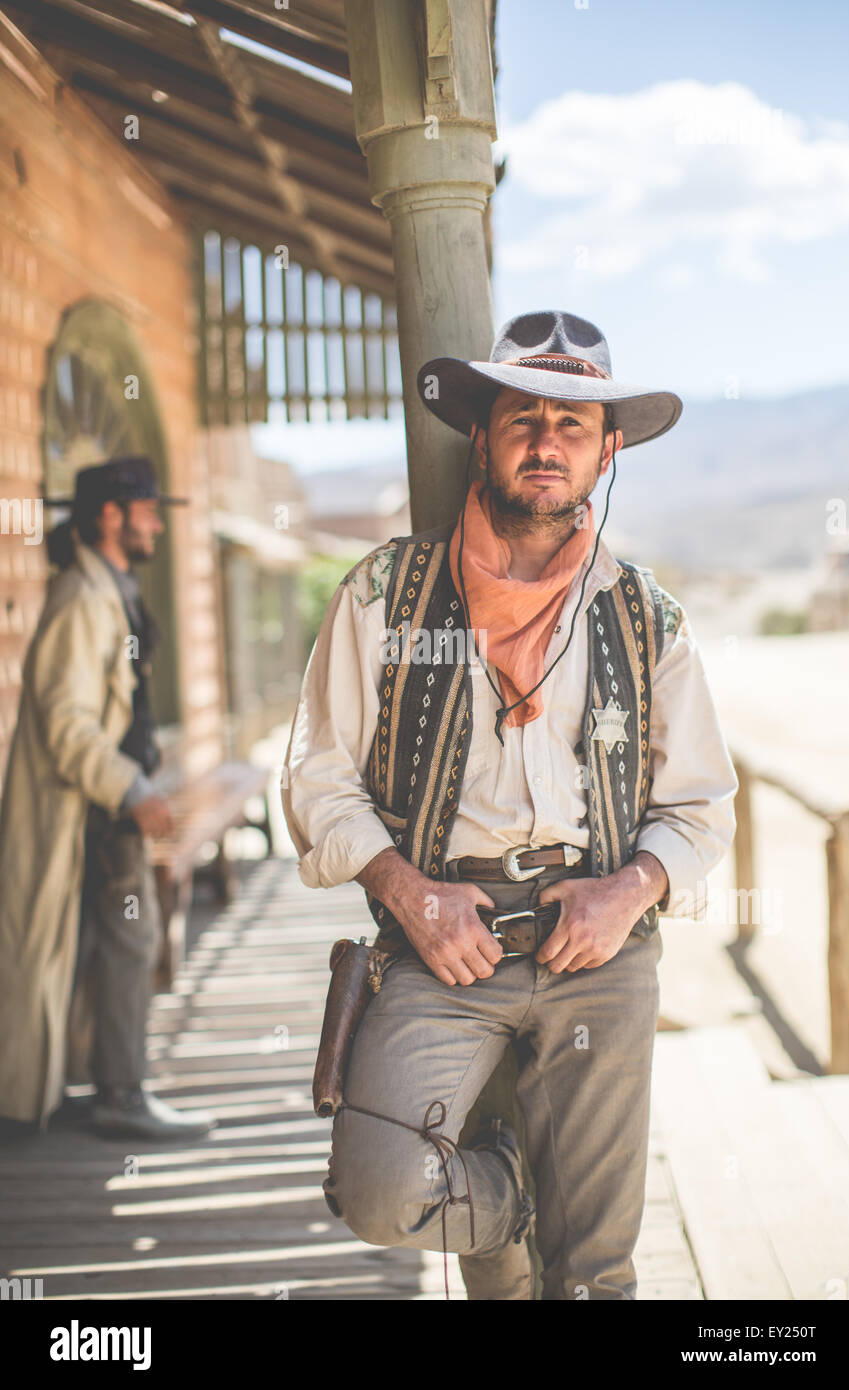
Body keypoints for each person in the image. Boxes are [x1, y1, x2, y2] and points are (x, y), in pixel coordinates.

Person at [283, 310, 738, 1299]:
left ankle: (566, 1232)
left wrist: (625, 892)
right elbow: (316, 774)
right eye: (523, 417)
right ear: (482, 435)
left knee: (592, 1274)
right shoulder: (382, 597)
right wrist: (411, 895)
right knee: (375, 1194)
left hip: (599, 951)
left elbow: (701, 807)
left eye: (573, 424)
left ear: (606, 449)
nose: (545, 442)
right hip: (444, 943)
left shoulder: (647, 617)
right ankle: (530, 1203)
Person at [0, 456, 214, 1140]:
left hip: (102, 809)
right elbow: (67, 723)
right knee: (130, 939)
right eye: (148, 508)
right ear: (111, 516)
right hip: (97, 808)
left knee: (99, 944)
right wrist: (132, 787)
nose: (156, 521)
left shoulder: (105, 587)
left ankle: (75, 1085)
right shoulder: (84, 598)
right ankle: (120, 1096)